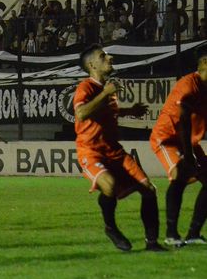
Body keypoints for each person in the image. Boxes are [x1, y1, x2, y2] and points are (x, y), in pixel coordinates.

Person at [74, 44, 165, 252]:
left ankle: (152, 243)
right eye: (103, 56)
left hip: (114, 151)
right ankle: (111, 227)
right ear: (91, 65)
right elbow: (81, 114)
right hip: (91, 150)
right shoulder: (86, 88)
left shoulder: (108, 90)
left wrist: (128, 111)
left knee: (149, 190)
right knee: (109, 185)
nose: (109, 57)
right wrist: (105, 93)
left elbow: (107, 111)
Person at [149, 47, 207, 246]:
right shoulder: (188, 85)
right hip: (167, 138)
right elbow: (184, 120)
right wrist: (189, 156)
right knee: (179, 175)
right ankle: (171, 234)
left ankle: (193, 235)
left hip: (189, 141)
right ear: (205, 64)